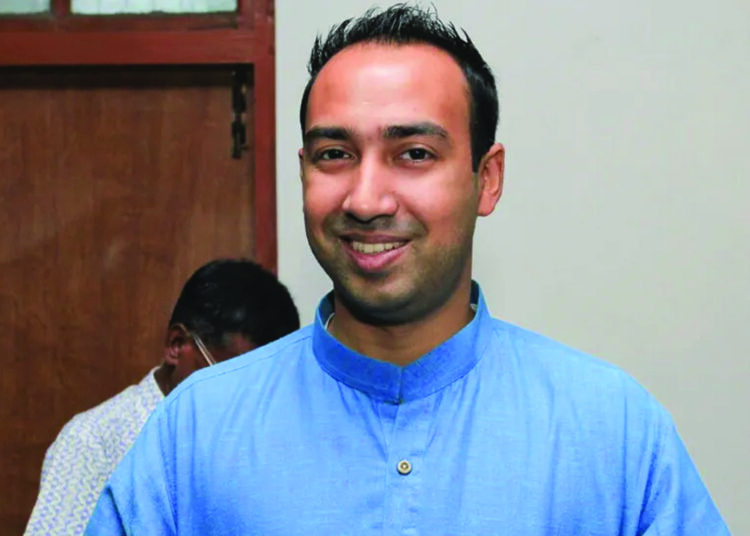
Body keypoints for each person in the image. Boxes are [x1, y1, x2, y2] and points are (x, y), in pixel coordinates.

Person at [85, 5, 729, 535]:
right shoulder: (194, 432)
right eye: (335, 153)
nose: (366, 199)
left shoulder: (612, 432)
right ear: (304, 171)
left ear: (486, 178)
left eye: (414, 153)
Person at [24, 258, 299, 536]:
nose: (245, 402)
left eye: (261, 388)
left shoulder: (262, 442)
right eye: (231, 379)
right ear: (177, 345)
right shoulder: (93, 442)